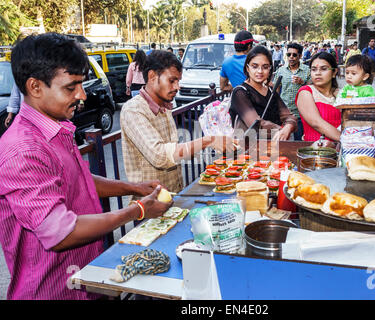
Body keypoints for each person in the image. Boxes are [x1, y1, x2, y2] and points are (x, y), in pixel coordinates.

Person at [0, 33, 173, 300]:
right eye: (71, 87)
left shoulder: (55, 129)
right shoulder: (23, 150)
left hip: (86, 279)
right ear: (35, 87)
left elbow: (77, 179)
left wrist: (133, 187)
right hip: (52, 290)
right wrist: (138, 210)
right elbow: (61, 232)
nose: (82, 95)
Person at [121, 50, 237, 193]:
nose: (177, 87)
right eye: (172, 81)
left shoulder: (164, 106)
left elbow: (174, 151)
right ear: (152, 76)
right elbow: (160, 156)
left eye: (178, 81)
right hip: (148, 204)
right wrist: (208, 140)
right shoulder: (133, 110)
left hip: (172, 197)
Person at [229, 46, 297, 142]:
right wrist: (282, 130)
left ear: (270, 70)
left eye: (265, 67)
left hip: (272, 148)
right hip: (248, 150)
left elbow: (288, 116)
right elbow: (256, 125)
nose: (260, 71)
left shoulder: (270, 91)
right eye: (255, 66)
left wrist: (289, 126)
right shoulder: (240, 92)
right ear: (247, 68)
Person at [295, 52, 341, 142]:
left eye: (323, 69)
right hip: (316, 150)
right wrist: (348, 141)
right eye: (314, 69)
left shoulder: (341, 93)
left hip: (342, 149)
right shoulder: (306, 92)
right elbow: (316, 123)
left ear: (334, 72)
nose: (318, 73)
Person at [273, 42, 310, 140]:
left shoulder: (307, 70)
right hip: (283, 113)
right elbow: (276, 89)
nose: (291, 57)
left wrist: (302, 82)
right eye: (289, 54)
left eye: (294, 55)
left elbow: (313, 89)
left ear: (300, 56)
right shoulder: (281, 70)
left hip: (300, 113)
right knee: (282, 142)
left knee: (298, 142)